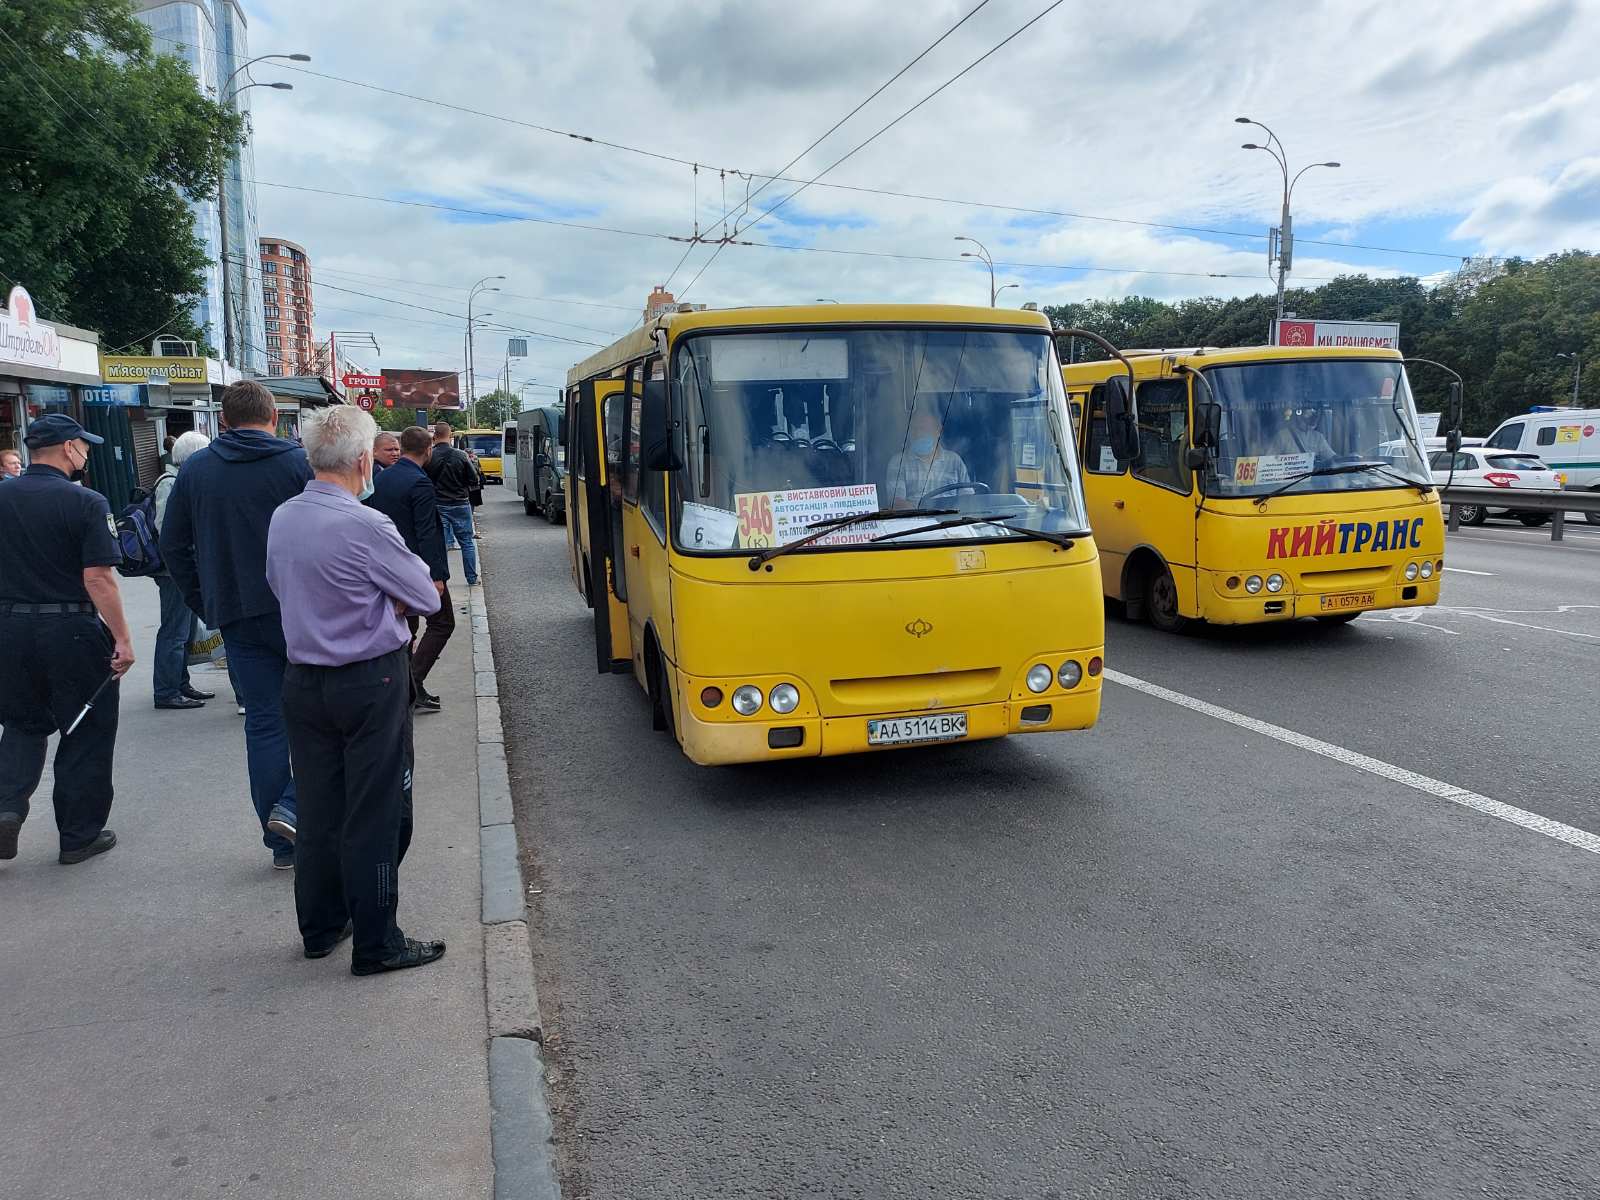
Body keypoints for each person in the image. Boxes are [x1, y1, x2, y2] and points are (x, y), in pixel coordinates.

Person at [266, 405, 445, 975]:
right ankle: (378, 940)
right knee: (377, 811)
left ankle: (320, 927)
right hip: (370, 679)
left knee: (319, 808)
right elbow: (427, 595)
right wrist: (384, 599)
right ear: (365, 460)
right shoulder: (366, 525)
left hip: (304, 680)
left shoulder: (285, 517)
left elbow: (281, 585)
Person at [160, 380, 313, 870]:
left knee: (265, 724)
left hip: (236, 614)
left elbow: (173, 544)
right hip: (301, 611)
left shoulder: (197, 469)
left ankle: (282, 843)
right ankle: (293, 806)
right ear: (273, 417)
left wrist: (202, 599)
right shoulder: (295, 463)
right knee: (319, 716)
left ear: (222, 421)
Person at [0, 414, 134, 865]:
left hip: (10, 627)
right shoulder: (86, 503)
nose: (87, 452)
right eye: (84, 445)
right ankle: (78, 835)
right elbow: (98, 577)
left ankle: (6, 808)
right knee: (85, 729)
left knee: (21, 723)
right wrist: (122, 638)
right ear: (67, 448)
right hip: (70, 629)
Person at [366, 425, 452, 711]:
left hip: (388, 565)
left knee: (407, 628)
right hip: (417, 568)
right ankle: (411, 685)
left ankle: (406, 690)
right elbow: (427, 531)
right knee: (442, 623)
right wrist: (437, 576)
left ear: (402, 448)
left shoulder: (382, 477)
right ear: (428, 449)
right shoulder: (420, 482)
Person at [150, 431, 214, 710]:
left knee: (185, 630)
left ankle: (180, 682)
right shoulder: (170, 482)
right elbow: (166, 529)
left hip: (183, 566)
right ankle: (166, 690)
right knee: (174, 630)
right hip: (172, 570)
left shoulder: (182, 480)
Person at [425, 422, 479, 586]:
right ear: (450, 436)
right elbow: (473, 479)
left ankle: (441, 579)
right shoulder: (461, 455)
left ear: (434, 437)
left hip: (438, 504)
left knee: (439, 544)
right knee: (467, 542)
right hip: (460, 503)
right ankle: (471, 578)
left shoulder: (429, 456)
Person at [886, 406, 969, 508]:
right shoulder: (898, 462)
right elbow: (897, 503)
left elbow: (967, 500)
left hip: (953, 522)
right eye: (913, 429)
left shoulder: (955, 461)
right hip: (915, 522)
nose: (917, 434)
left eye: (923, 429)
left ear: (938, 431)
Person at [1266, 404, 1337, 465]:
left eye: (1312, 420)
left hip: (1313, 477)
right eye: (1307, 419)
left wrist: (1343, 461)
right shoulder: (1282, 436)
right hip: (1290, 478)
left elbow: (1331, 457)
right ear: (1298, 417)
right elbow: (1269, 461)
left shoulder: (1318, 437)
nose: (1309, 424)